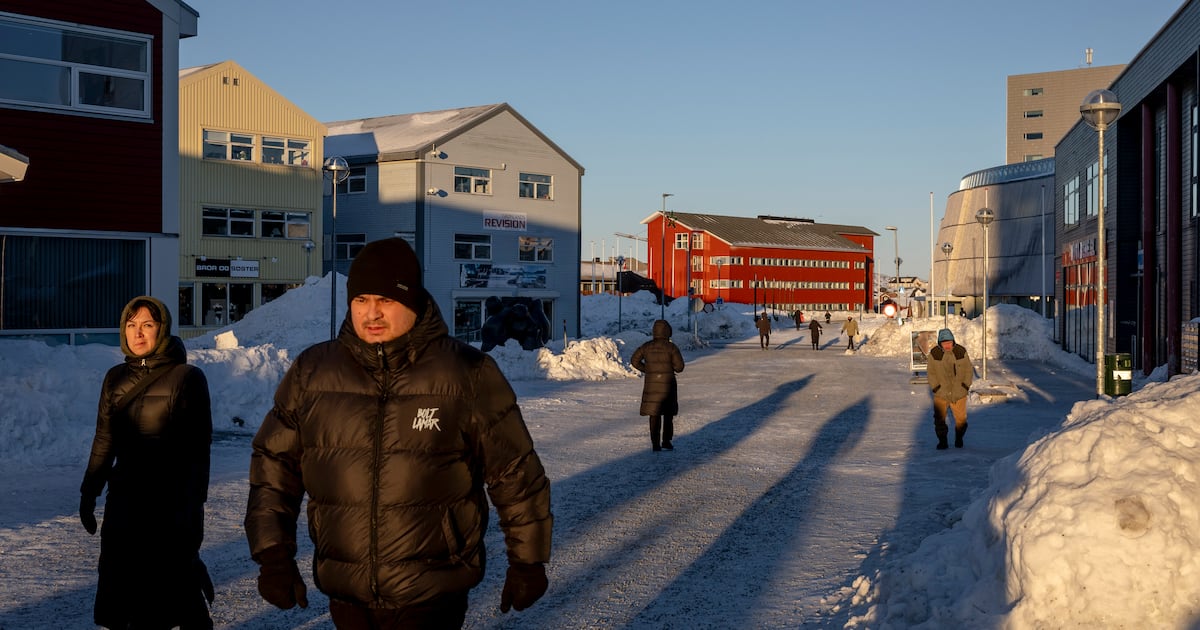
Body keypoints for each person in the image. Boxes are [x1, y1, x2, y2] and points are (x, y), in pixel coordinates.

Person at [245, 237, 552, 628]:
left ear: (412, 301)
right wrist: (273, 557)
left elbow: (516, 473)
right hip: (347, 594)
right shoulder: (313, 372)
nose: (371, 313)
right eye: (361, 300)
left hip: (433, 594)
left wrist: (528, 562)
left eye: (385, 300)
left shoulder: (466, 373)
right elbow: (274, 471)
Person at [80, 295, 214, 629]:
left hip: (168, 505)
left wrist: (192, 513)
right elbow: (105, 439)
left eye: (148, 325)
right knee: (120, 595)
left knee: (166, 597)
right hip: (124, 502)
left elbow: (199, 454)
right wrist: (89, 492)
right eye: (131, 325)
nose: (138, 333)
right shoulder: (114, 378)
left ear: (163, 330)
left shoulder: (187, 378)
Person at [630, 319, 686, 452]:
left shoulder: (646, 346)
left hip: (652, 385)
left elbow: (634, 360)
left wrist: (647, 369)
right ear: (668, 331)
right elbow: (679, 367)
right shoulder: (671, 347)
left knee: (654, 414)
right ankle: (666, 441)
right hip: (668, 386)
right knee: (668, 414)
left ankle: (655, 444)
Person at [927, 328, 974, 450]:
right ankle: (942, 441)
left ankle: (959, 438)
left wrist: (965, 386)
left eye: (949, 342)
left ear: (953, 341)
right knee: (939, 419)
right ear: (940, 343)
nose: (947, 345)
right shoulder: (934, 354)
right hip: (941, 393)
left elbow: (969, 370)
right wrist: (936, 388)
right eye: (944, 343)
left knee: (961, 419)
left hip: (959, 393)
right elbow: (931, 373)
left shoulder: (960, 351)